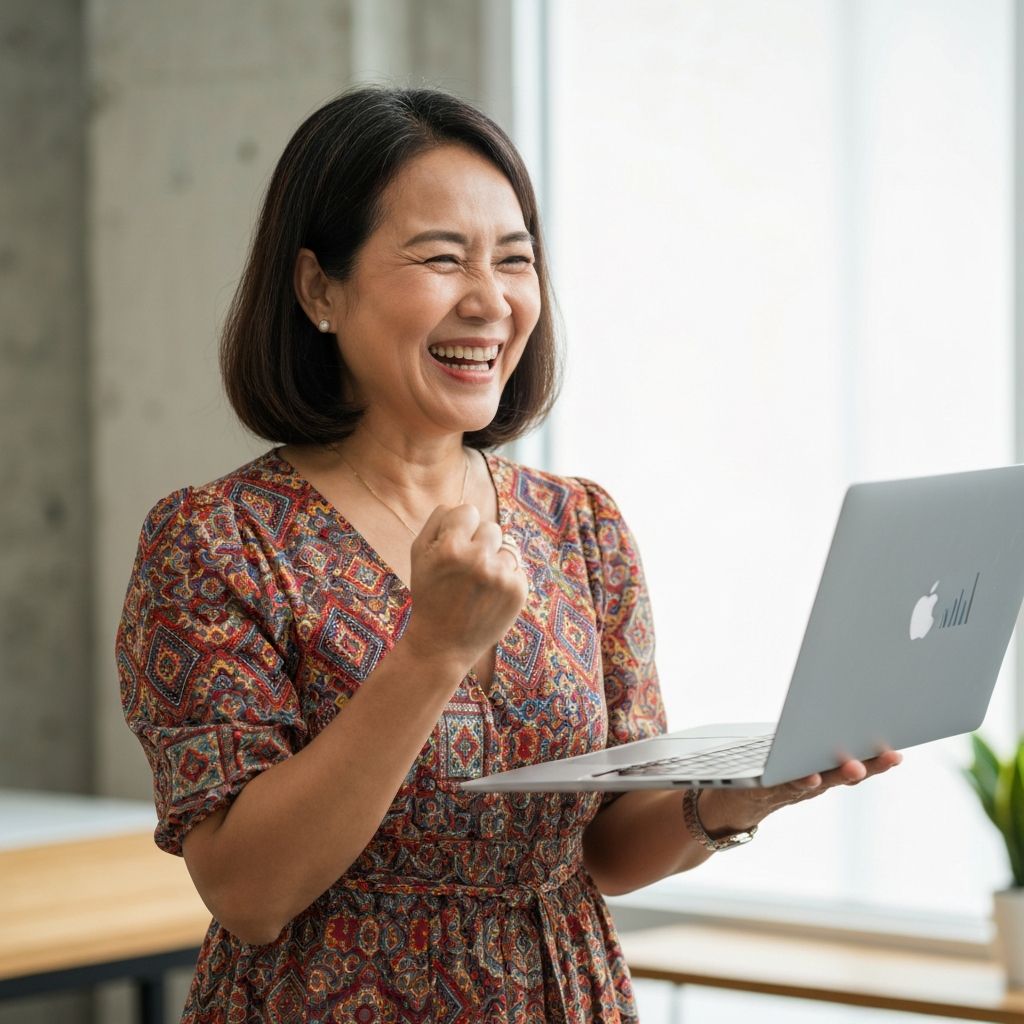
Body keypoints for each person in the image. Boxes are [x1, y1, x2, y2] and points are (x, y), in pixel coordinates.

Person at [116, 86, 900, 1024]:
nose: (491, 302)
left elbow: (604, 852)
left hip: (567, 995)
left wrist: (737, 800)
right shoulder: (218, 542)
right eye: (442, 259)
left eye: (515, 260)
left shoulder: (581, 526)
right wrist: (432, 652)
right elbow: (248, 894)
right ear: (319, 287)